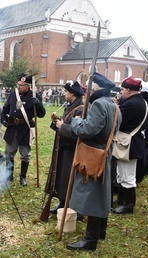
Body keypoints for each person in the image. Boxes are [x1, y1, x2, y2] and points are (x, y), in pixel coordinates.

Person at [66, 72, 121, 251]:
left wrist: (75, 122)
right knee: (101, 192)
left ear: (95, 88)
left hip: (94, 154)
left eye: (88, 87)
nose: (86, 91)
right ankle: (100, 231)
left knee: (93, 195)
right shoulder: (114, 105)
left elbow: (88, 130)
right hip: (105, 151)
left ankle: (90, 239)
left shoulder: (98, 104)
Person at [111, 77, 148, 215]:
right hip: (132, 141)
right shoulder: (139, 101)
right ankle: (122, 200)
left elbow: (119, 121)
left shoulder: (131, 104)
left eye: (122, 89)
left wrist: (116, 108)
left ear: (128, 89)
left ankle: (128, 205)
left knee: (128, 176)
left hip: (129, 143)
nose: (121, 92)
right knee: (122, 174)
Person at [1, 73, 46, 186]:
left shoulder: (34, 96)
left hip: (25, 128)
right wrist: (3, 119)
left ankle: (22, 177)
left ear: (28, 86)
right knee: (9, 152)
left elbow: (41, 114)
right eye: (18, 84)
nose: (19, 86)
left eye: (22, 85)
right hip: (12, 127)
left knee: (25, 154)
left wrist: (38, 104)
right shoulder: (13, 94)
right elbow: (5, 108)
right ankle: (9, 175)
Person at [49, 81, 84, 213]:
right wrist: (56, 122)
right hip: (64, 147)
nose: (64, 94)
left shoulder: (81, 109)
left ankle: (72, 206)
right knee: (62, 177)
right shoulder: (70, 106)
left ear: (73, 93)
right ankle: (63, 203)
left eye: (66, 91)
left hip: (73, 149)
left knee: (70, 178)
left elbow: (79, 132)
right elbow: (65, 124)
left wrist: (62, 126)